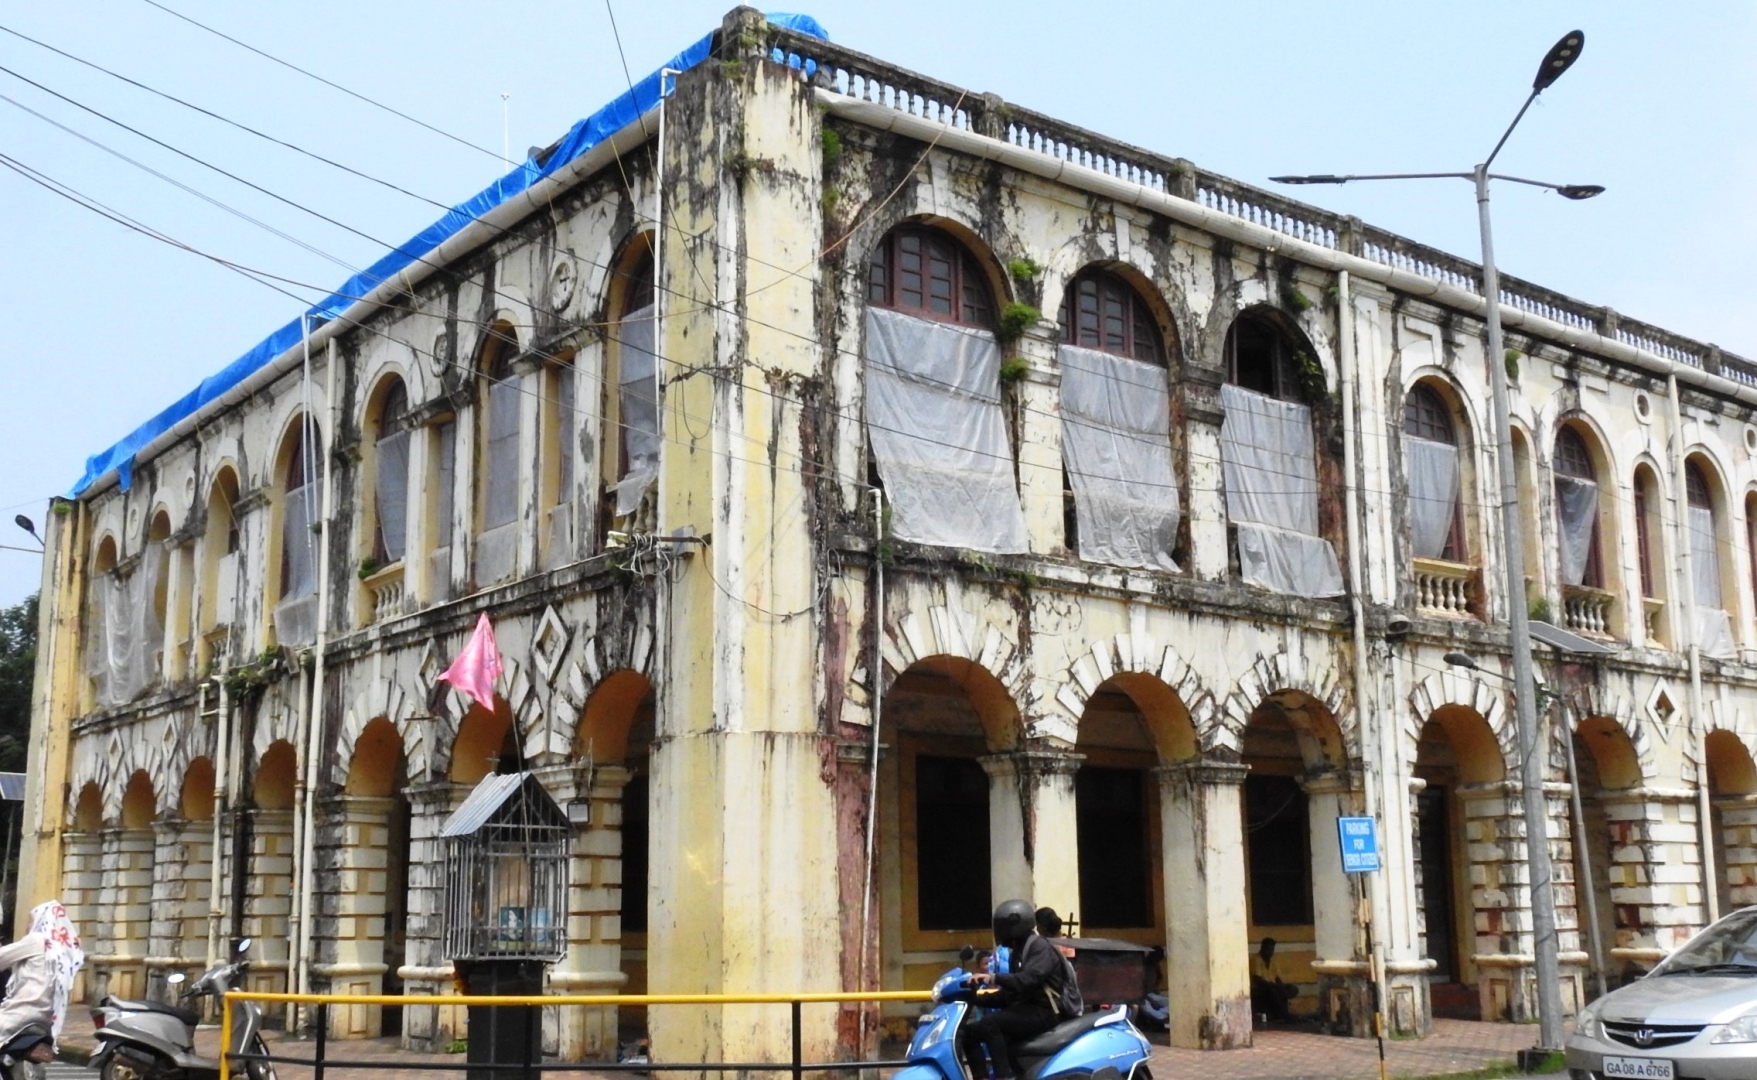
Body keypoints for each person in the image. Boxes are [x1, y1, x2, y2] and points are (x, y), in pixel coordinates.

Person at [961, 899, 1076, 1079]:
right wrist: (975, 998)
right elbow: (1011, 995)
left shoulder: (1039, 946)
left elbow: (1027, 980)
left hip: (1046, 1011)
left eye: (1002, 926)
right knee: (969, 1033)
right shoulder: (1018, 953)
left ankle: (1005, 1077)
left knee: (991, 1024)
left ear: (1016, 925)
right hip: (1027, 1009)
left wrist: (992, 977)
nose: (999, 931)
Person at [0, 901, 85, 1060]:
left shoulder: (37, 940)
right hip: (45, 1018)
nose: (28, 925)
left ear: (42, 920)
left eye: (31, 920)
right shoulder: (62, 949)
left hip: (19, 1012)